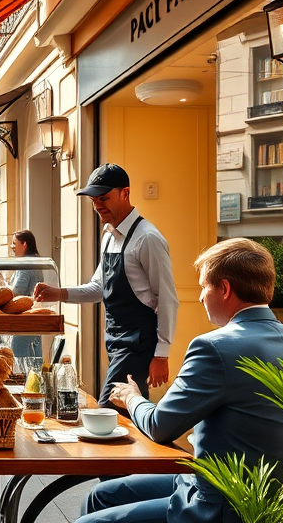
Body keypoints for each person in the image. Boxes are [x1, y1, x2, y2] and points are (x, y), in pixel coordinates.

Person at [77, 238, 283, 523]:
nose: (201, 297)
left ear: (225, 289)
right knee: (102, 495)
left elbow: (159, 426)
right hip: (282, 501)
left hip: (222, 503)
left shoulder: (214, 348)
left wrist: (132, 397)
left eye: (204, 286)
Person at [34, 163, 178, 407]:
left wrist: (161, 355)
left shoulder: (147, 238)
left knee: (107, 408)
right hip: (114, 339)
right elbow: (98, 288)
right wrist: (58, 293)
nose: (98, 205)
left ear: (125, 193)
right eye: (94, 200)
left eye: (103, 198)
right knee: (126, 411)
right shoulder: (109, 235)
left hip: (137, 342)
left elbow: (167, 298)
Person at [0, 230, 45, 363]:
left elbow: (17, 292)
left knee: (19, 354)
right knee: (35, 358)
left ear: (24, 244)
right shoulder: (34, 261)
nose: (12, 247)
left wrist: (1, 286)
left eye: (14, 243)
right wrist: (3, 284)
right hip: (35, 317)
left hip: (24, 319)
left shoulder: (26, 264)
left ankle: (25, 377)